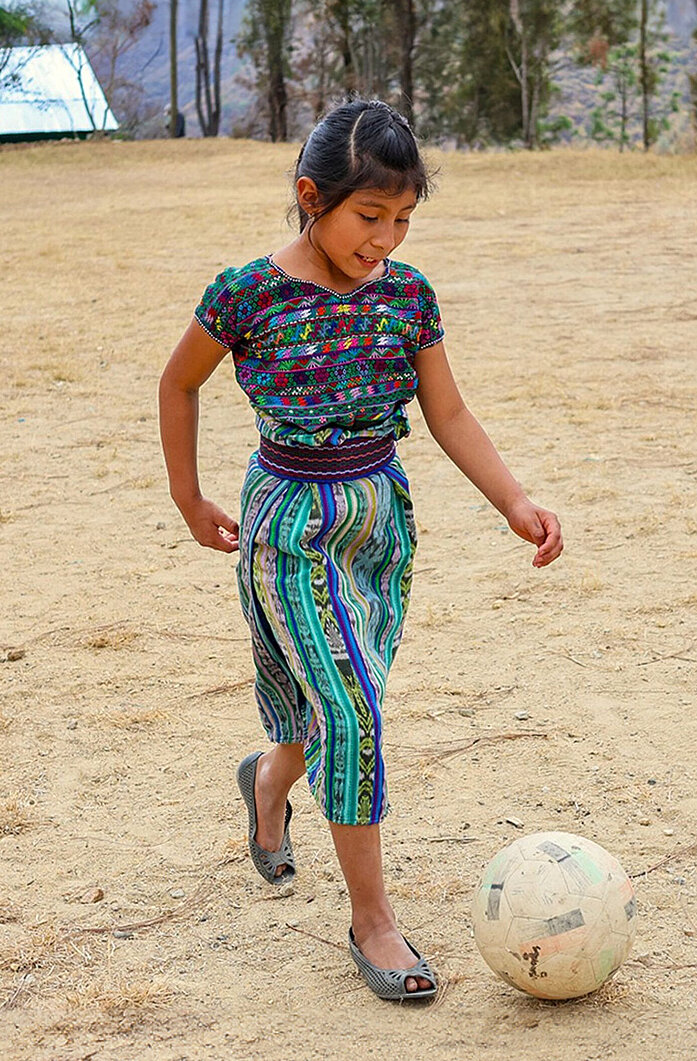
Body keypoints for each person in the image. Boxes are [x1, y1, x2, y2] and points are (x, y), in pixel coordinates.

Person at [158, 99, 562, 1002]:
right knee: (353, 715)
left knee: (349, 703)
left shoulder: (408, 297)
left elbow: (446, 412)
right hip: (288, 524)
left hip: (378, 525)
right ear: (313, 198)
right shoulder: (247, 294)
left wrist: (515, 499)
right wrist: (188, 498)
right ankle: (372, 920)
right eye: (369, 217)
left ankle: (268, 780)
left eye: (403, 220)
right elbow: (177, 382)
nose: (386, 239)